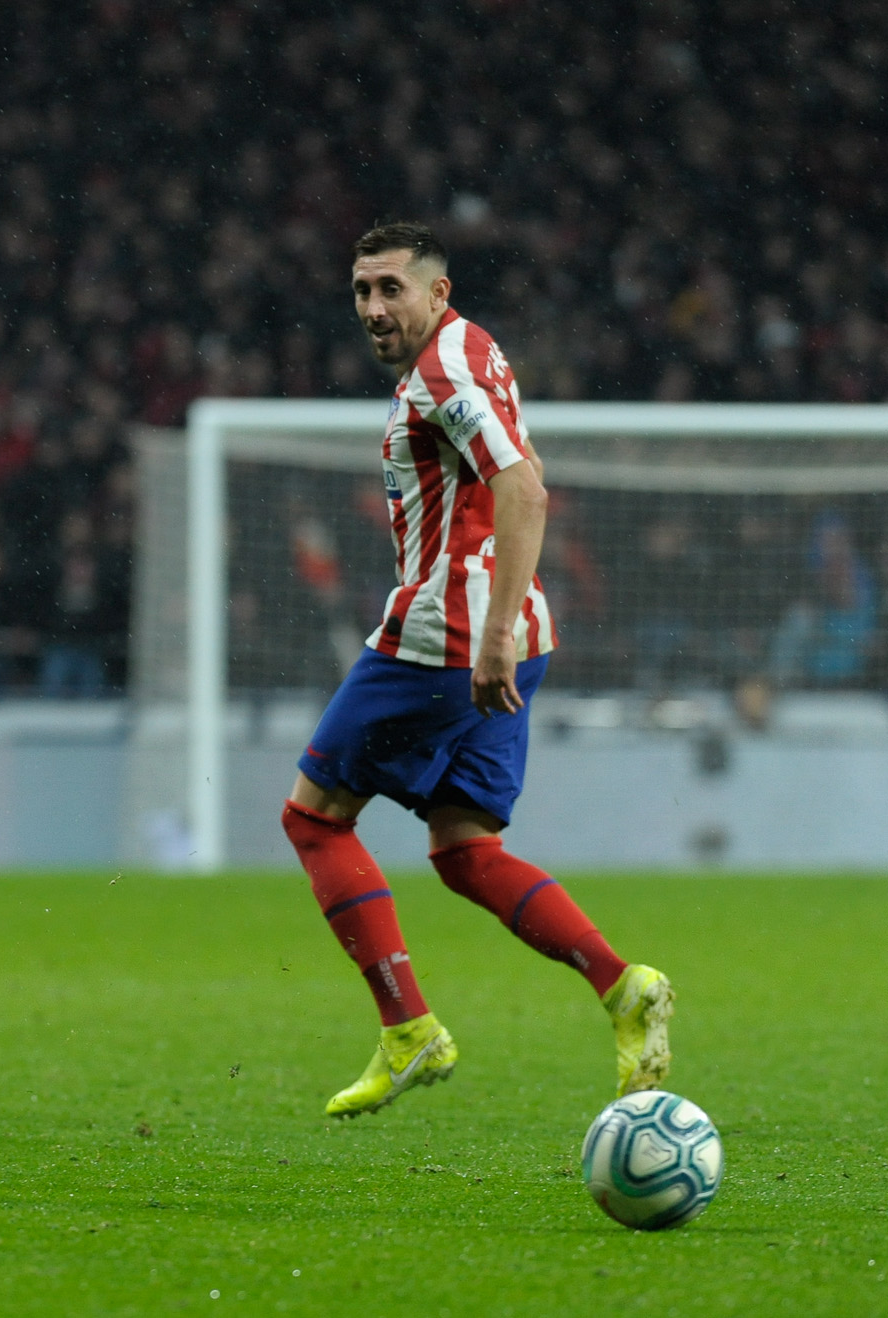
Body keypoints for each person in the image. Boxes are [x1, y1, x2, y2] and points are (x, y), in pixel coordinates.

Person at [280, 222, 674, 1118]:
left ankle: (408, 1030)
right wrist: (508, 630)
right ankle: (624, 987)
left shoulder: (441, 374)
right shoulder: (475, 347)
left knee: (313, 820)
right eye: (361, 291)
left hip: (450, 634)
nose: (375, 308)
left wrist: (490, 633)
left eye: (391, 289)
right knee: (464, 851)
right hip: (516, 631)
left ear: (437, 293)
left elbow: (525, 487)